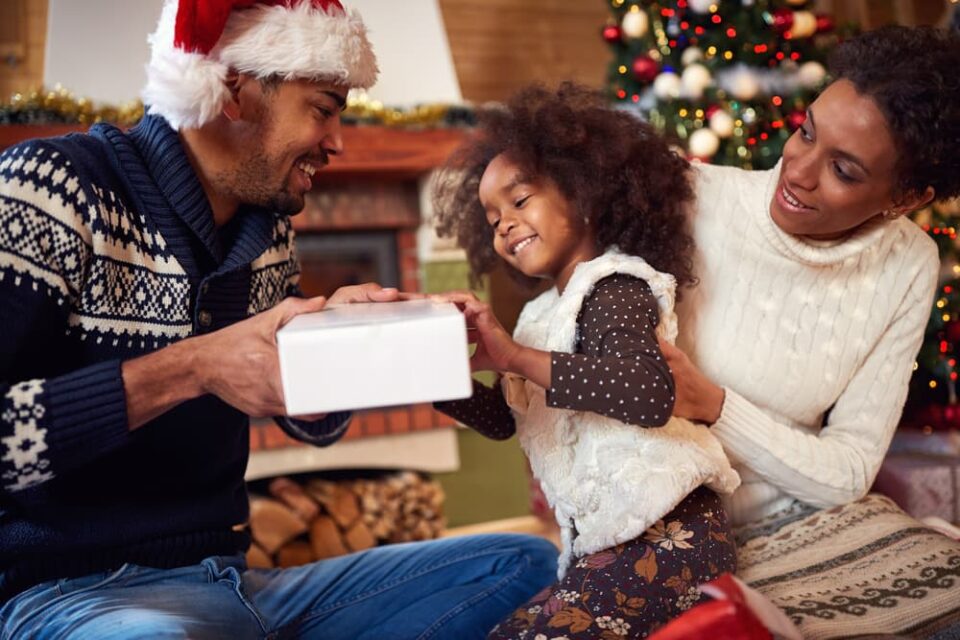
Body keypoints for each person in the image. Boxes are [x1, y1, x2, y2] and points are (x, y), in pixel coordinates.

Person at [0, 0, 557, 637]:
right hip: (70, 597)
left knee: (526, 565)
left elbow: (304, 418)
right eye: (322, 108)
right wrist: (193, 367)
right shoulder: (50, 187)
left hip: (233, 584)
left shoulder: (267, 231)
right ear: (233, 88)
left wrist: (336, 338)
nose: (337, 142)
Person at [661, 25, 960, 636]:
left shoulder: (908, 262)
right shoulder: (693, 199)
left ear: (904, 198)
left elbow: (849, 471)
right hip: (681, 532)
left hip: (820, 518)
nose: (797, 170)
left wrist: (715, 406)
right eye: (806, 133)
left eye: (844, 170)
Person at [431, 83, 741, 639]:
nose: (502, 224)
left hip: (671, 532)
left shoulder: (615, 284)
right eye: (491, 216)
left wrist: (517, 357)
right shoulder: (537, 316)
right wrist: (434, 375)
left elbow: (649, 393)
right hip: (607, 542)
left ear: (583, 191)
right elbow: (509, 422)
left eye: (519, 201)